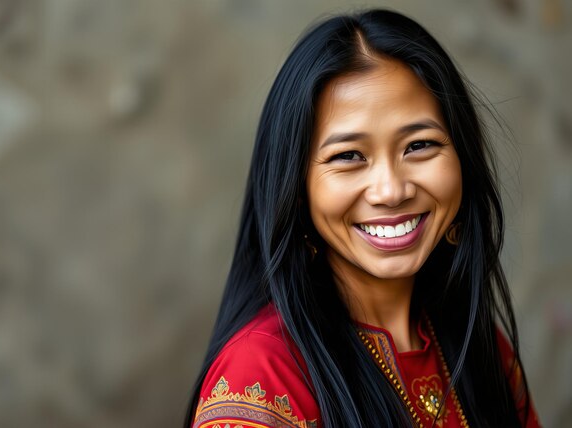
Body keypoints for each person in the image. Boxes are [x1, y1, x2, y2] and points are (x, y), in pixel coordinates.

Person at [186, 8, 541, 428]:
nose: (391, 190)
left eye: (419, 145)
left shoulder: (480, 348)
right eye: (349, 156)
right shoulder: (262, 375)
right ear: (296, 188)